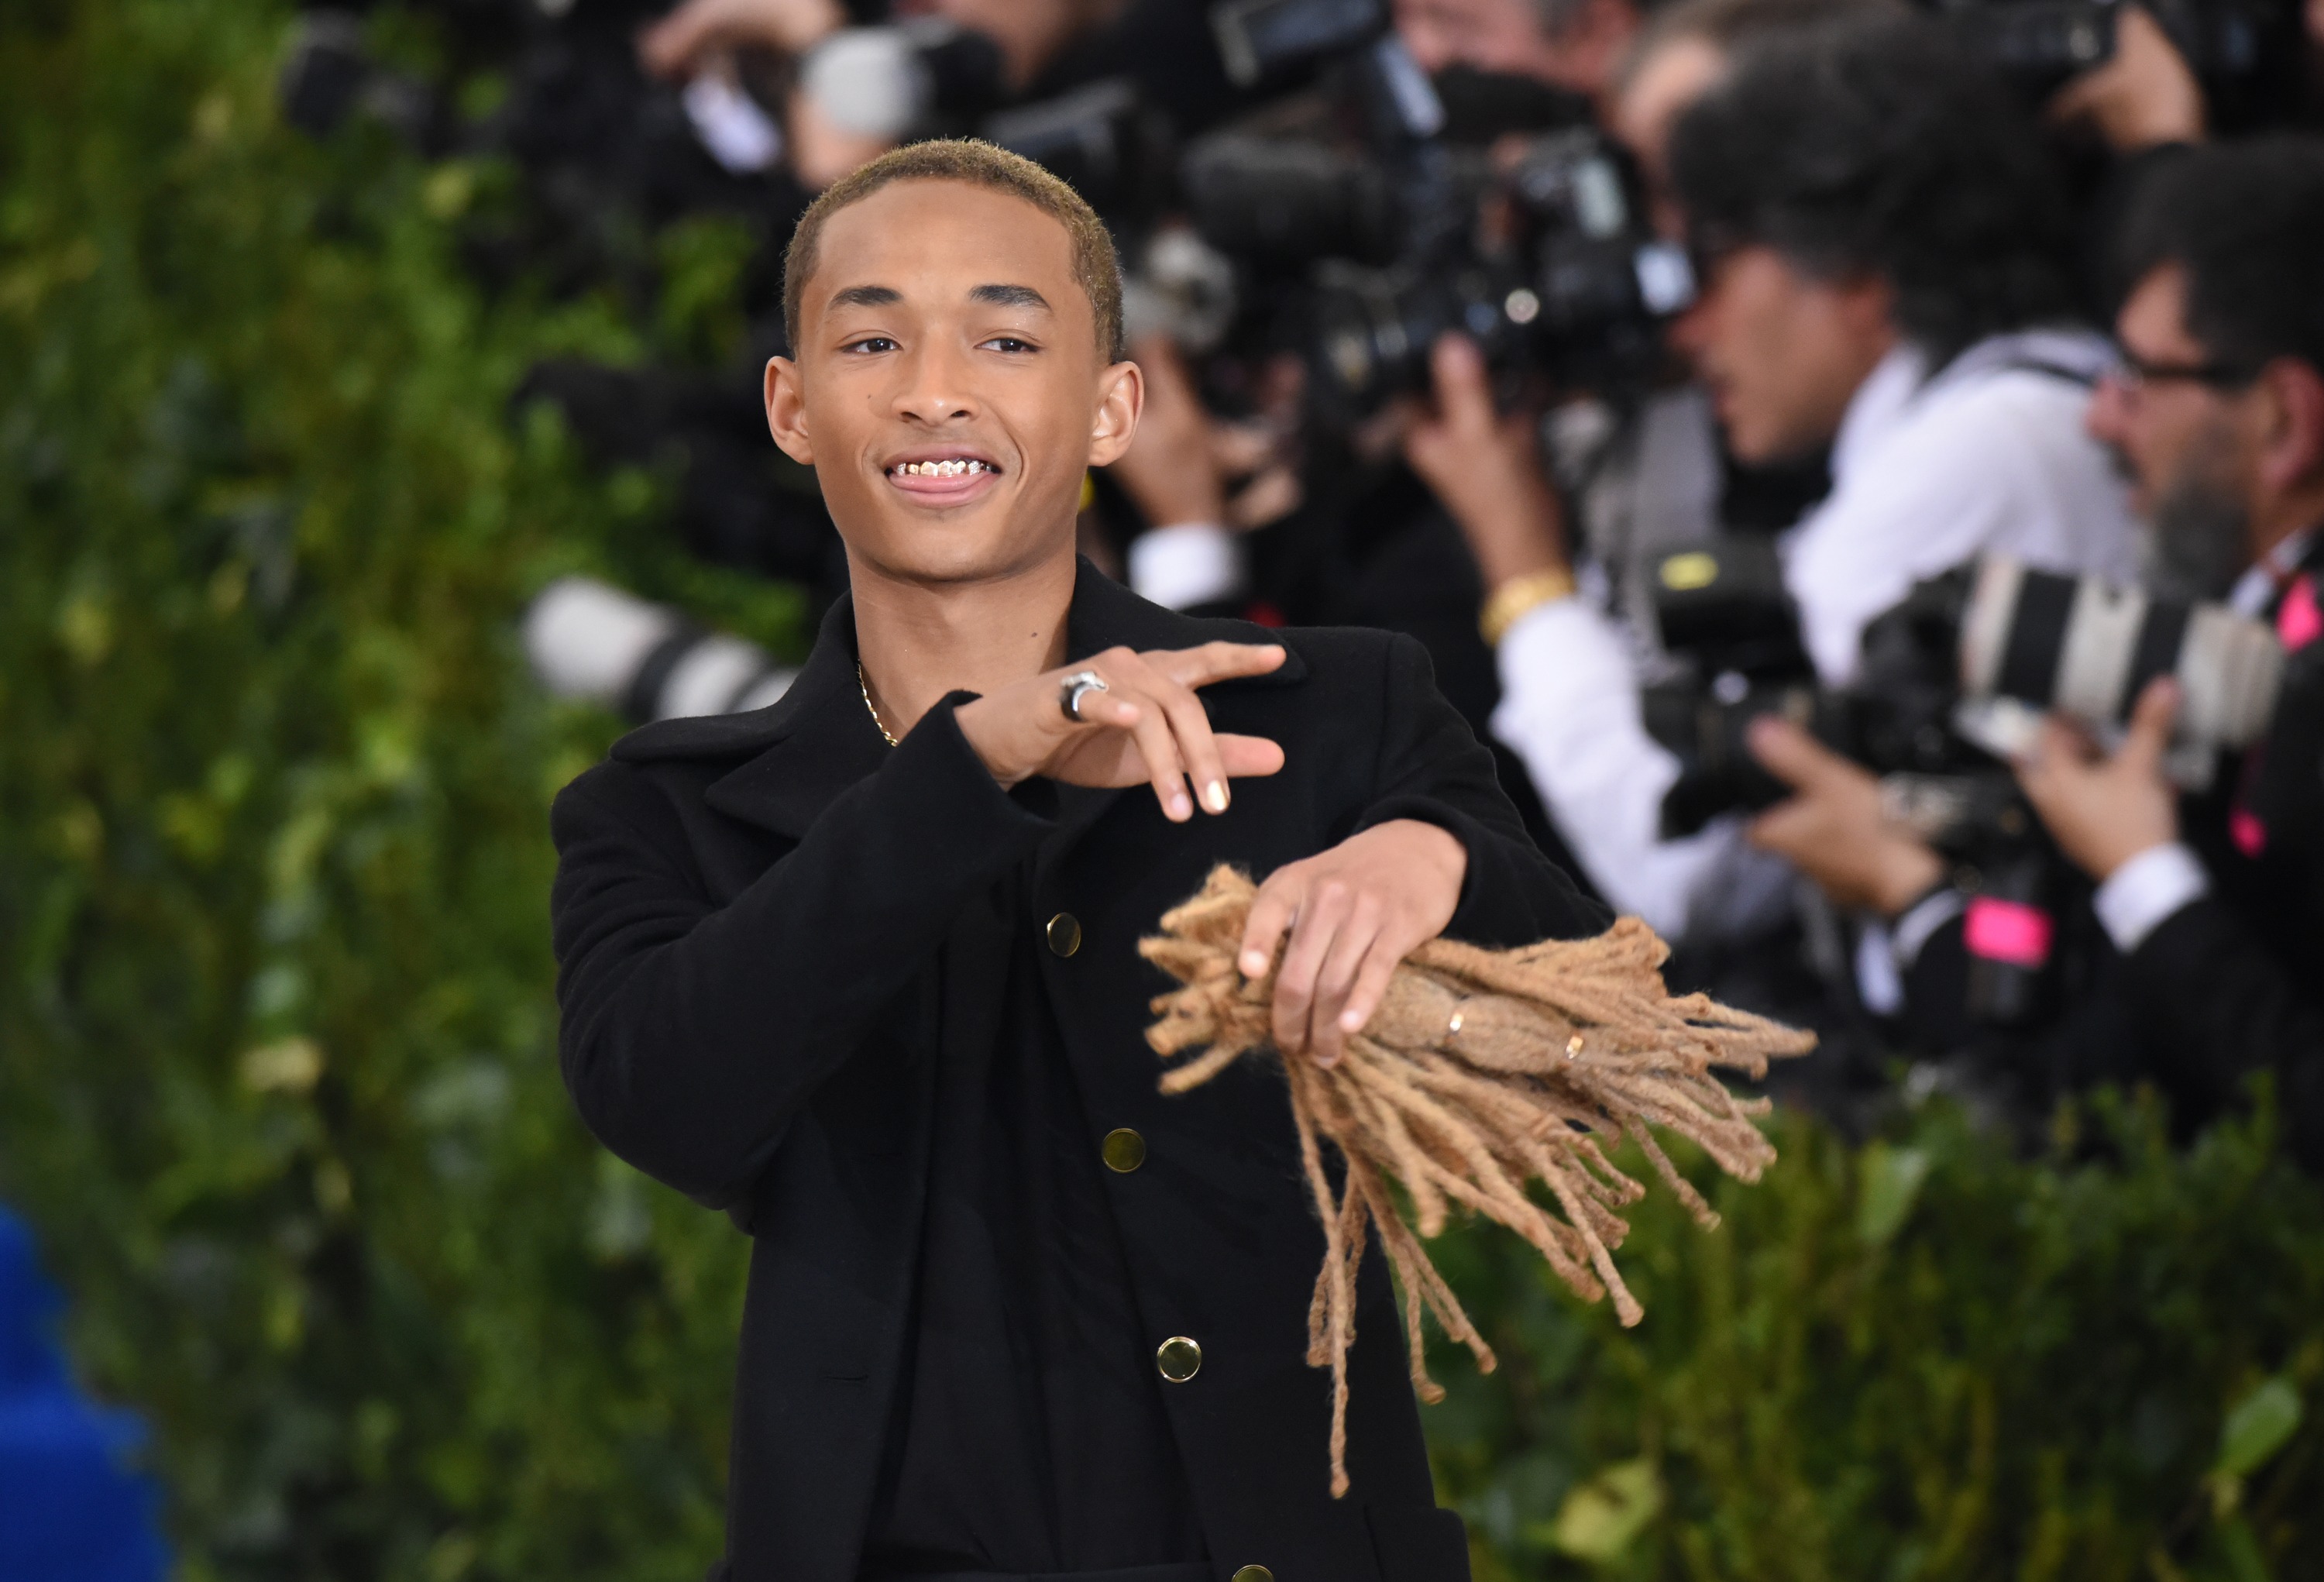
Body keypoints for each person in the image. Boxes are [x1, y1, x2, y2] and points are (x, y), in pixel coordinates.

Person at [548, 139, 1604, 1582]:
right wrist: (972, 763)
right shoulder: (673, 810)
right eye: (872, 340)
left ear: (1115, 405)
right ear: (792, 408)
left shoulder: (1329, 710)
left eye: (1005, 338)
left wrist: (1433, 864)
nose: (935, 391)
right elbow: (670, 1099)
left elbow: (1597, 1052)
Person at [1409, 15, 2140, 952]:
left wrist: (1522, 564)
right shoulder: (2012, 409)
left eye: (1711, 266)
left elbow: (1683, 862)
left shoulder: (1983, 454)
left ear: (1859, 271)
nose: (1688, 328)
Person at [1748, 137, 2324, 1158]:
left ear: (2286, 419)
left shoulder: (2297, 691)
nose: (2100, 418)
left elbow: (2240, 1108)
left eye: (2141, 378)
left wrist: (2141, 871)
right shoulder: (2248, 639)